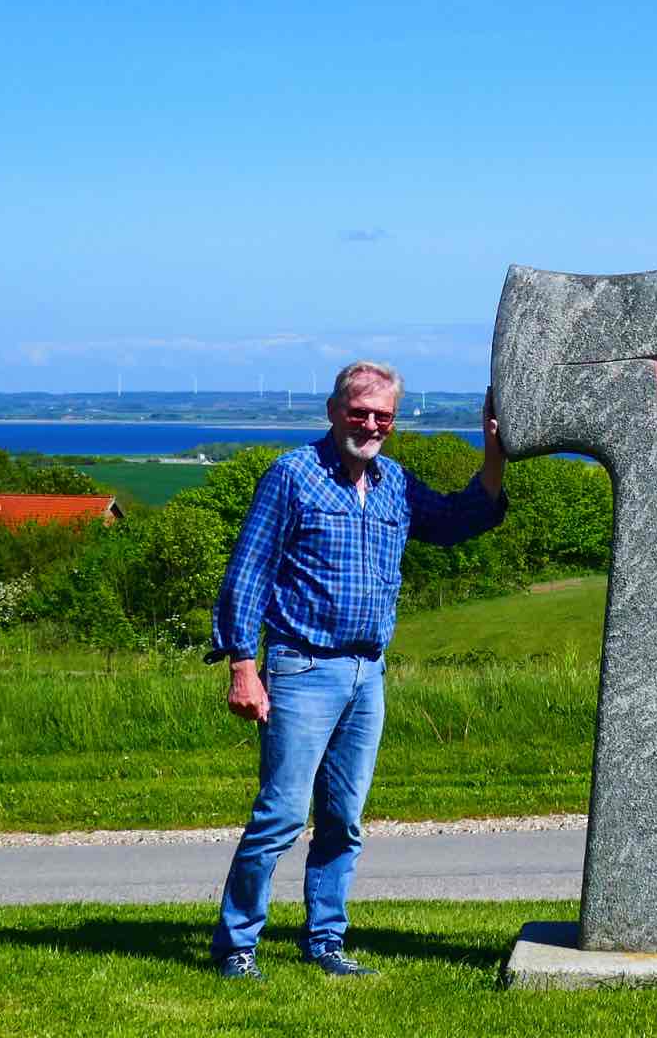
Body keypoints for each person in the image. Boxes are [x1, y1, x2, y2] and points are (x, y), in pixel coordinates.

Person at [207, 361, 508, 980]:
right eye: (360, 411)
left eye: (383, 416)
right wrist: (242, 664)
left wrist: (494, 452)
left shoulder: (394, 481)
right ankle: (236, 945)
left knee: (343, 820)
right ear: (333, 411)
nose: (370, 424)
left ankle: (326, 941)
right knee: (283, 815)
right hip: (300, 667)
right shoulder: (292, 476)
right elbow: (248, 569)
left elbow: (457, 520)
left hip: (367, 674)